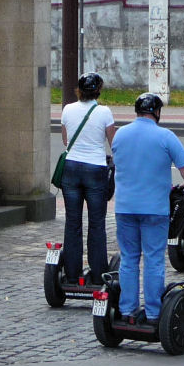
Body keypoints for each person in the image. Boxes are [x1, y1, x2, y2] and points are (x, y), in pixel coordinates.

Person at [111, 93, 184, 324]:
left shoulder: (120, 134)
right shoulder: (165, 136)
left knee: (129, 258)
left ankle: (127, 311)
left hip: (125, 208)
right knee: (153, 259)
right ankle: (152, 313)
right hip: (155, 210)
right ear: (157, 112)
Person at [59, 72, 117, 285]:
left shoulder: (67, 109)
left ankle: (72, 273)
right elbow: (113, 141)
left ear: (79, 90)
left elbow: (66, 139)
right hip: (95, 168)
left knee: (73, 222)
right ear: (98, 91)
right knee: (96, 223)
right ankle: (98, 272)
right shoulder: (104, 112)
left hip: (72, 168)